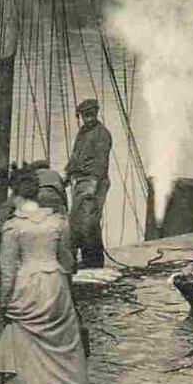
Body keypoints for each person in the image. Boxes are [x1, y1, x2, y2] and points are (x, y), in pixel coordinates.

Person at [0, 170, 88, 384]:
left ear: (16, 196)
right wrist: (65, 285)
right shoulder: (58, 222)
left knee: (18, 332)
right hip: (54, 283)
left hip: (26, 285)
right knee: (59, 338)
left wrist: (3, 299)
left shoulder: (13, 228)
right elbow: (66, 260)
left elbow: (8, 269)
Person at [65, 99, 112, 269]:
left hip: (94, 181)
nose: (88, 118)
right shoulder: (83, 133)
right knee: (77, 221)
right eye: (85, 116)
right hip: (81, 181)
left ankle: (93, 262)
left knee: (88, 222)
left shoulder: (101, 133)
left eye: (90, 115)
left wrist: (93, 183)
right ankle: (86, 260)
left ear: (96, 113)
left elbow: (101, 161)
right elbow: (75, 157)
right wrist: (67, 174)